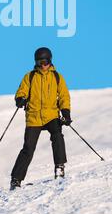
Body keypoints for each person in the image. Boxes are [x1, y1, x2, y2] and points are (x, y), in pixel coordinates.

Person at [10, 47, 71, 190]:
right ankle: (15, 179)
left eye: (45, 61)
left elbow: (64, 96)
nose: (43, 65)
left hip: (51, 115)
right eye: (39, 62)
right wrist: (20, 99)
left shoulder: (57, 77)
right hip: (34, 117)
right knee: (28, 148)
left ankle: (59, 167)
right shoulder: (30, 76)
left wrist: (66, 113)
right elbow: (21, 91)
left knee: (57, 136)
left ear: (50, 61)